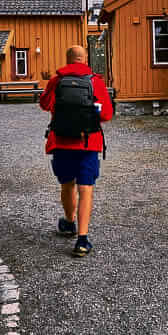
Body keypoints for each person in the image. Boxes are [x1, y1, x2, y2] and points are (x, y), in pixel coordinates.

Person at [40, 45, 113, 257]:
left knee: (67, 184)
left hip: (61, 141)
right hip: (87, 142)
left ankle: (69, 222)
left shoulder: (56, 80)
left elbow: (44, 104)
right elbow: (106, 114)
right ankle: (82, 240)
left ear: (68, 59)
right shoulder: (95, 81)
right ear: (85, 59)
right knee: (86, 189)